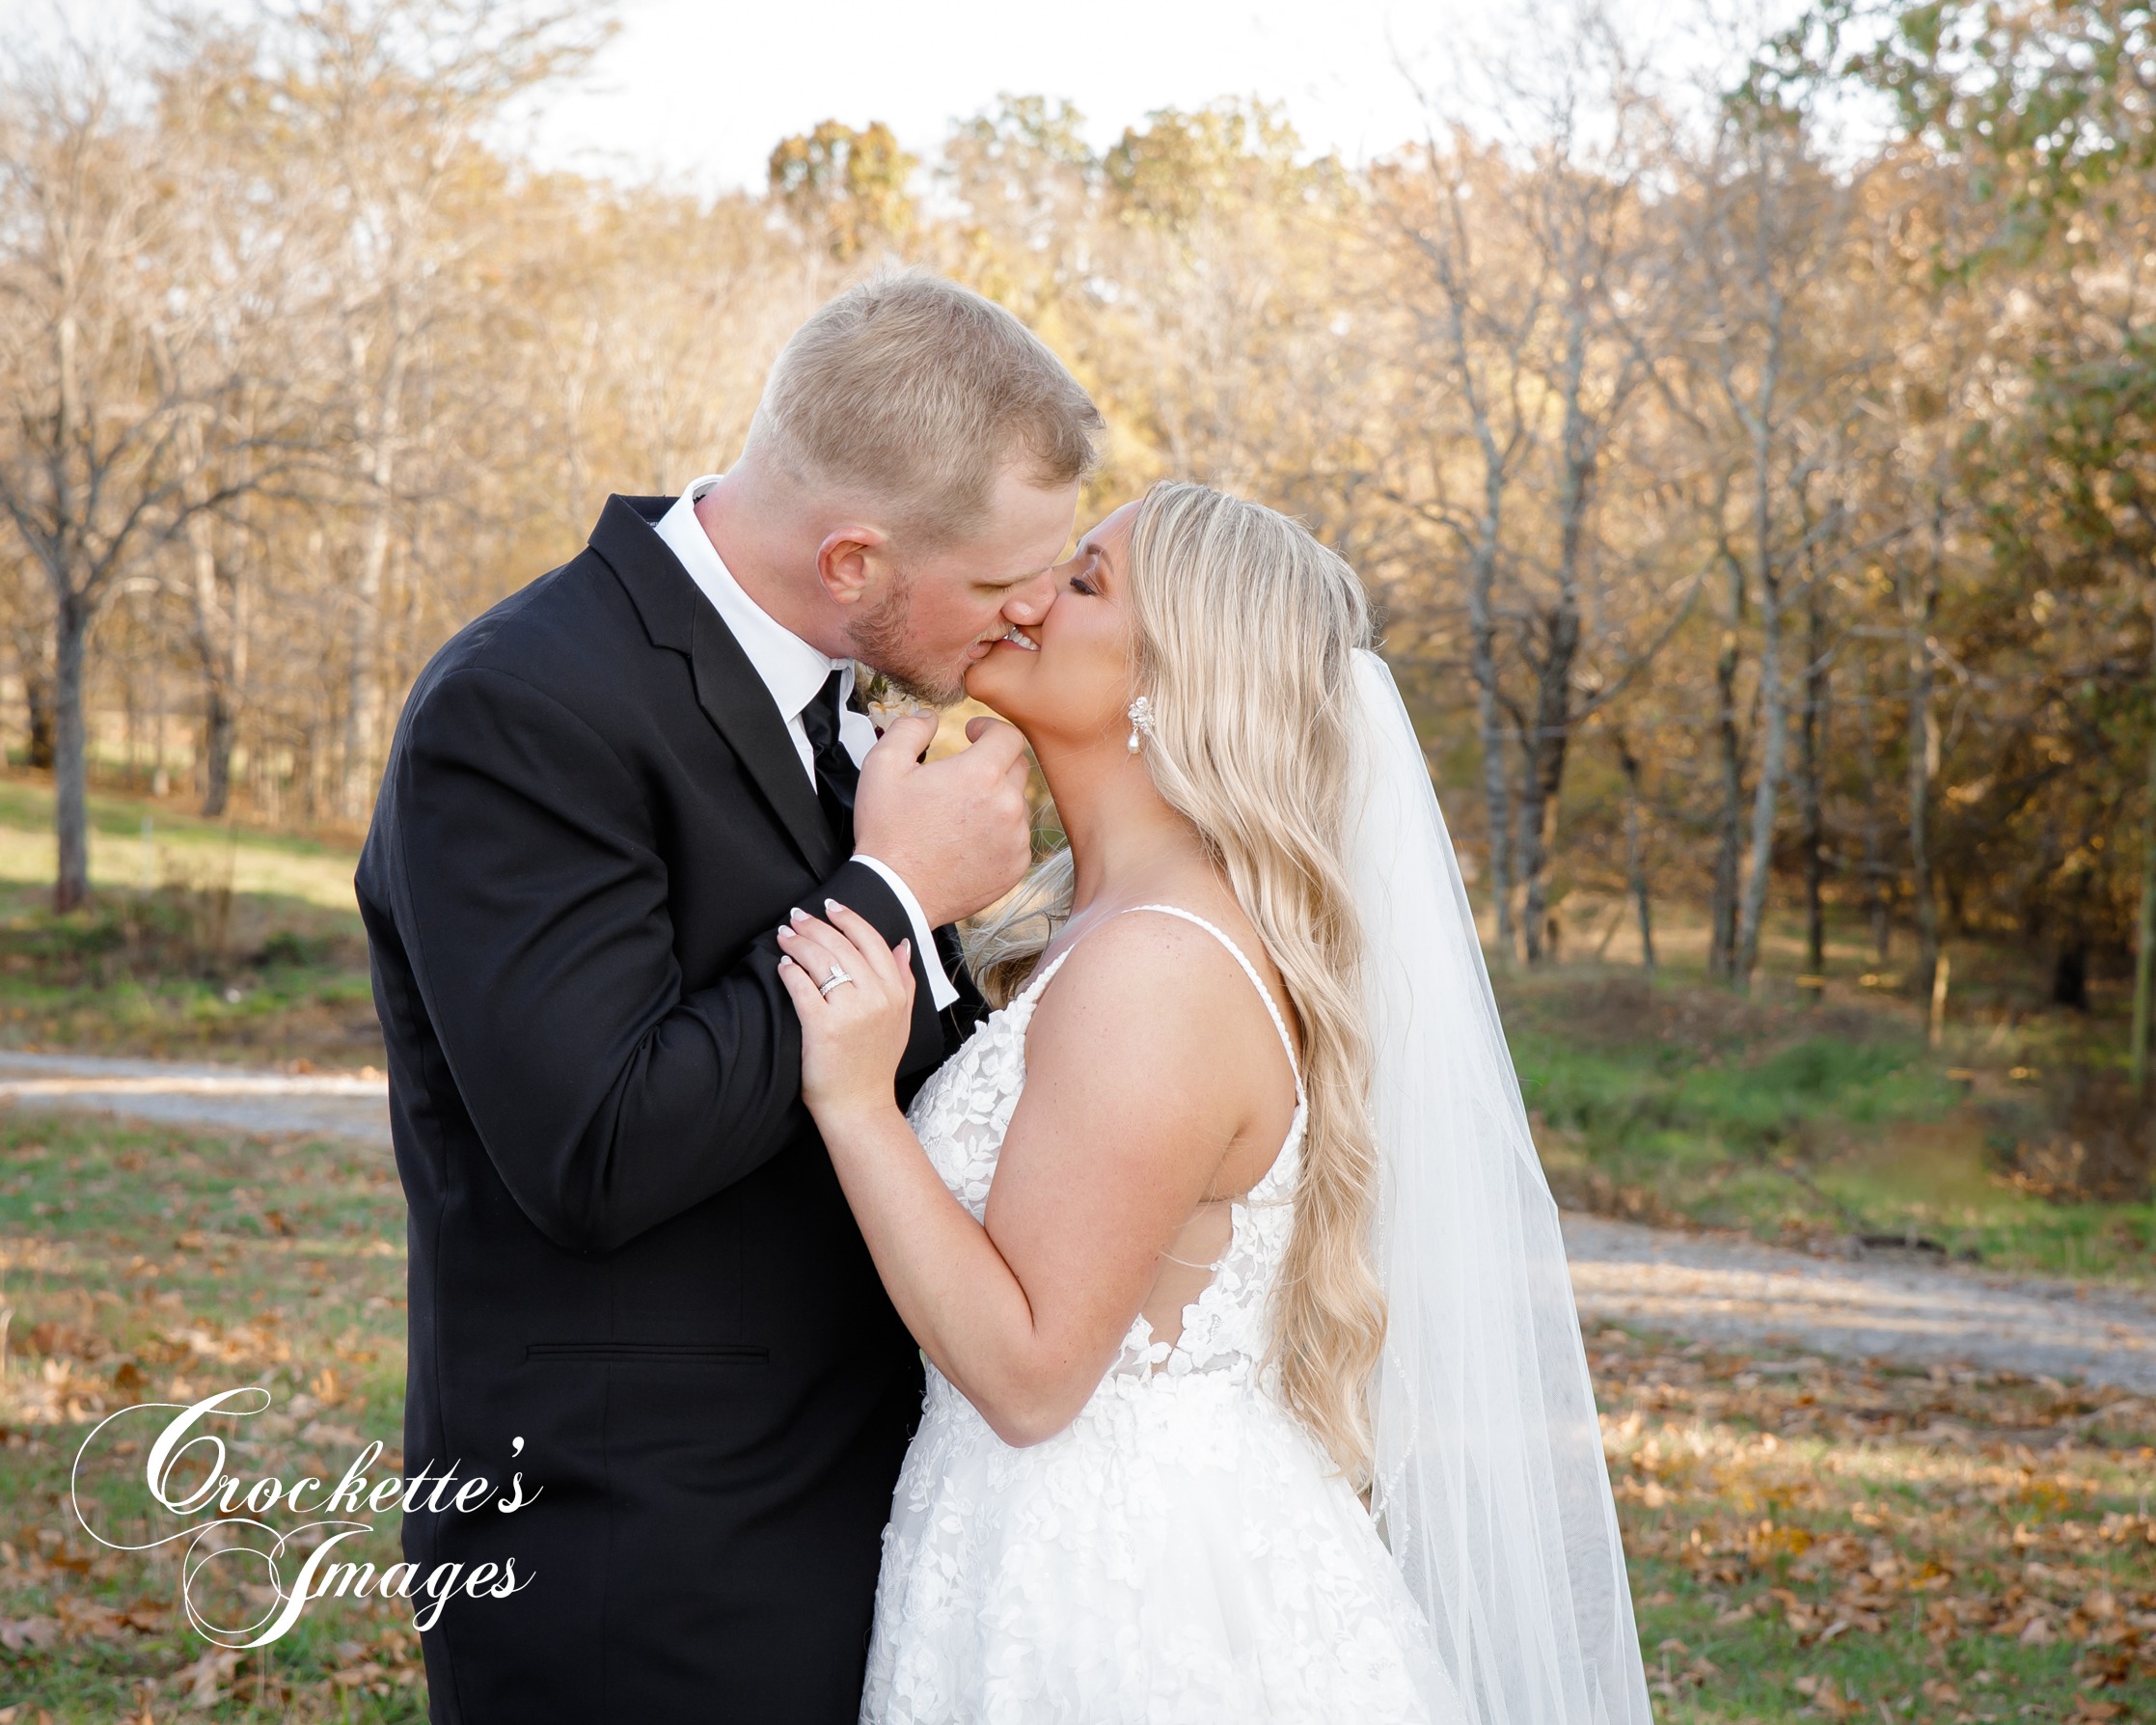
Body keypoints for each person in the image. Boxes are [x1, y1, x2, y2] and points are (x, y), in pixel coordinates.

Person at [775, 482, 1656, 1722]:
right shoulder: (1119, 927)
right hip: (1041, 1538)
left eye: (1082, 583)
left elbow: (1031, 1380)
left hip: (1115, 1588)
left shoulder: (1156, 968)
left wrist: (859, 1103)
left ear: (1174, 679)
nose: (1026, 598)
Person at [354, 271, 1104, 1723]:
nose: (1023, 618)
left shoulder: (855, 694)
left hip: (880, 1512)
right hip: (638, 1554)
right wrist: (892, 897)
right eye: (1001, 584)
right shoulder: (524, 708)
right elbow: (598, 1148)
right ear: (852, 560)